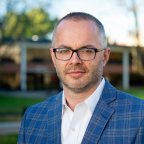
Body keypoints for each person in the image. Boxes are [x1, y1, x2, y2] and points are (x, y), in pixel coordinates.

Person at [18, 12, 144, 144]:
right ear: (53, 57)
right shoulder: (32, 117)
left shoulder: (140, 116)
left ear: (105, 57)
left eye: (87, 50)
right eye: (64, 50)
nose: (74, 60)